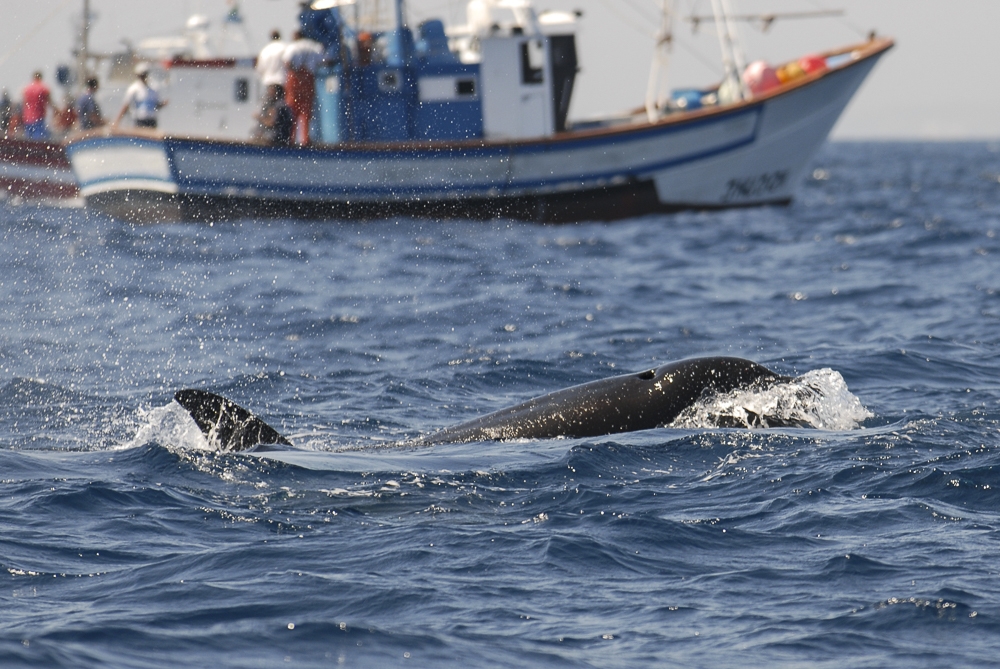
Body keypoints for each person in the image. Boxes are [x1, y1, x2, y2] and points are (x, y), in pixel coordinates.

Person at [282, 30, 323, 145]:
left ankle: (291, 138)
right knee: (306, 111)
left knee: (292, 110)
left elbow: (287, 62)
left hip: (294, 80)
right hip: (309, 79)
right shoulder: (314, 46)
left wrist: (296, 72)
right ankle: (305, 139)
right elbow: (323, 61)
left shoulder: (293, 47)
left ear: (296, 36)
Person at [114, 63, 167, 129]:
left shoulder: (154, 88)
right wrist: (117, 121)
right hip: (139, 121)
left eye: (144, 74)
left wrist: (163, 104)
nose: (143, 77)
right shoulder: (133, 89)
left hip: (151, 120)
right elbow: (126, 105)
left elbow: (156, 106)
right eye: (141, 75)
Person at [21, 71, 58, 141]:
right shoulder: (43, 88)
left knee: (28, 141)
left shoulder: (27, 89)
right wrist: (57, 110)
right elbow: (50, 102)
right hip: (38, 117)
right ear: (41, 77)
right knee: (40, 140)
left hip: (27, 118)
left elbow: (24, 103)